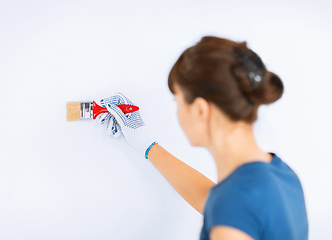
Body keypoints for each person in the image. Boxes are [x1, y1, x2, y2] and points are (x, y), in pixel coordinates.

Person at [96, 36, 308, 240]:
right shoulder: (281, 175)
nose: (177, 112)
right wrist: (142, 141)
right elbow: (214, 199)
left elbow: (229, 207)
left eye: (176, 100)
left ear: (199, 109)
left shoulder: (232, 208)